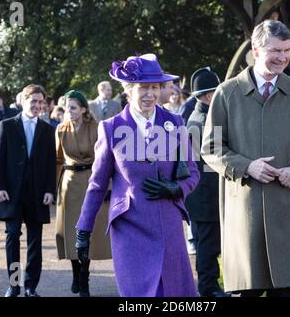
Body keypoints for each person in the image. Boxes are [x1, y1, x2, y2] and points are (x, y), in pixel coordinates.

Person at [201, 20, 290, 297]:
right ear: (256, 50)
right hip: (246, 214)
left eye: (287, 50)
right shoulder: (226, 93)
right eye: (275, 51)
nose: (282, 57)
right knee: (248, 291)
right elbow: (211, 147)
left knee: (287, 291)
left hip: (289, 211)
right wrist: (247, 166)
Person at [76, 53, 199, 297]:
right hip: (130, 228)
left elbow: (193, 173)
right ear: (128, 90)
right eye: (143, 88)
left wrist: (177, 189)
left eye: (155, 87)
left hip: (169, 225)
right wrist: (83, 230)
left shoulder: (175, 123)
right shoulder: (110, 128)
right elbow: (98, 184)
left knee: (173, 294)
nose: (150, 94)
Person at [0, 84, 56, 297]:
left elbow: (50, 162)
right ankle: (14, 285)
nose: (38, 105)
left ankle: (30, 286)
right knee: (12, 236)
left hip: (38, 193)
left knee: (35, 240)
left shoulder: (48, 130)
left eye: (41, 102)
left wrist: (50, 189)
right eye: (34, 101)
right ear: (23, 100)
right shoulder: (7, 125)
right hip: (11, 192)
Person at [55, 90, 111, 297]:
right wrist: (54, 190)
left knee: (88, 232)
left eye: (73, 108)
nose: (69, 111)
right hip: (69, 185)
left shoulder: (97, 128)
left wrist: (109, 186)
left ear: (84, 109)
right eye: (67, 108)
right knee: (70, 233)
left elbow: (106, 160)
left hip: (91, 182)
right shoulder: (60, 129)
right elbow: (58, 161)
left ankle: (84, 277)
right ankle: (75, 274)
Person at [185, 66, 229, 297]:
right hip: (205, 195)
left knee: (209, 243)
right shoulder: (202, 120)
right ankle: (208, 287)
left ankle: (210, 285)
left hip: (204, 194)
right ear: (209, 95)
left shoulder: (200, 116)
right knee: (208, 246)